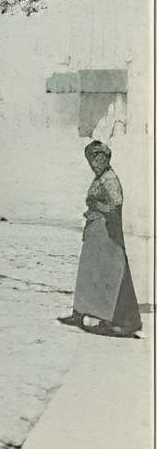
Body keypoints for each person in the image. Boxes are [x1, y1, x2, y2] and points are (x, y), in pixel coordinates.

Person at [60, 141, 142, 338]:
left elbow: (116, 205)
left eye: (98, 158)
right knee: (87, 274)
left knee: (106, 275)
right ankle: (79, 313)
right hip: (95, 233)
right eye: (92, 159)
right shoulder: (100, 178)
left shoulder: (109, 179)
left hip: (106, 234)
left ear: (106, 158)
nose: (95, 163)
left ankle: (107, 318)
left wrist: (97, 206)